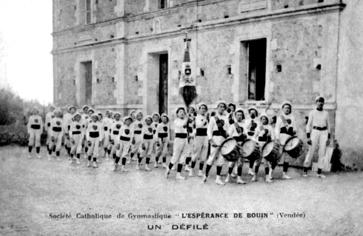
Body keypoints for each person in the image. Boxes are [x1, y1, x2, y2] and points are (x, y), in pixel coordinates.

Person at [303, 96, 331, 178]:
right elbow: (308, 125)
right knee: (311, 150)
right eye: (319, 101)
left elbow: (329, 126)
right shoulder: (312, 112)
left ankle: (319, 172)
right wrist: (308, 137)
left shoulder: (326, 113)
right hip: (315, 132)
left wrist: (328, 137)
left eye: (322, 101)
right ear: (316, 102)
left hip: (324, 133)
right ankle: (305, 170)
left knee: (322, 151)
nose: (320, 103)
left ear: (323, 103)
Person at [203, 101, 229, 185]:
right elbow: (209, 130)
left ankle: (218, 178)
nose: (222, 108)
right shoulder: (213, 118)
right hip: (215, 139)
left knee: (221, 159)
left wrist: (228, 138)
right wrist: (210, 139)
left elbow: (227, 130)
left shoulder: (226, 118)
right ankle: (205, 175)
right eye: (220, 106)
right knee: (212, 157)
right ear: (217, 108)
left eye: (223, 107)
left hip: (223, 139)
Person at [275, 101, 297, 180]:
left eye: (288, 108)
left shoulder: (292, 117)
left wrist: (294, 131)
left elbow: (295, 128)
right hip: (282, 137)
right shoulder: (280, 117)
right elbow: (277, 129)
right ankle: (270, 172)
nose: (287, 109)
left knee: (286, 157)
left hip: (289, 138)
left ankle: (284, 174)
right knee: (278, 156)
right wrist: (277, 138)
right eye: (285, 108)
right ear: (283, 109)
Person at [165, 107, 189, 180]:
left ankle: (178, 174)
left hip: (185, 139)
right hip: (178, 140)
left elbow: (187, 127)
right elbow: (181, 125)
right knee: (175, 156)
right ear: (177, 114)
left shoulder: (185, 120)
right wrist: (187, 119)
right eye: (180, 112)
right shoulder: (176, 121)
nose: (182, 113)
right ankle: (168, 169)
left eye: (183, 112)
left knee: (183, 157)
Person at [225, 108, 247, 184]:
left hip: (242, 144)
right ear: (235, 116)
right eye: (238, 115)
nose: (239, 116)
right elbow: (229, 135)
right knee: (232, 162)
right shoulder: (232, 125)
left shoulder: (245, 125)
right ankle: (228, 176)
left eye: (241, 115)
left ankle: (239, 178)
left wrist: (244, 136)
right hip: (234, 144)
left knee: (240, 162)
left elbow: (246, 135)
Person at [252, 114, 275, 183]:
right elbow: (254, 137)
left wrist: (270, 140)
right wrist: (256, 143)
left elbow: (273, 137)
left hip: (266, 145)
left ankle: (267, 177)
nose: (263, 120)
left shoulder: (270, 127)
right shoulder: (259, 127)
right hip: (260, 145)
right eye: (262, 119)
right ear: (260, 120)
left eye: (265, 119)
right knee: (258, 162)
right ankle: (255, 175)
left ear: (267, 120)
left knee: (266, 162)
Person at [190, 103, 209, 177]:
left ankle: (200, 171)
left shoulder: (207, 117)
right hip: (198, 136)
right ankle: (191, 169)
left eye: (204, 108)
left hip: (205, 136)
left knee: (204, 154)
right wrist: (205, 120)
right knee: (195, 153)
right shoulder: (197, 117)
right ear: (199, 109)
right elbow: (199, 125)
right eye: (202, 108)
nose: (203, 110)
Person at [245, 106, 260, 176]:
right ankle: (236, 169)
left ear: (256, 114)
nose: (252, 114)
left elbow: (258, 131)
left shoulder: (258, 122)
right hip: (247, 138)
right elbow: (245, 129)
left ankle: (250, 169)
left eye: (254, 113)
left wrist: (254, 138)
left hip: (254, 138)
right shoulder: (246, 121)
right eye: (251, 113)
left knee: (253, 155)